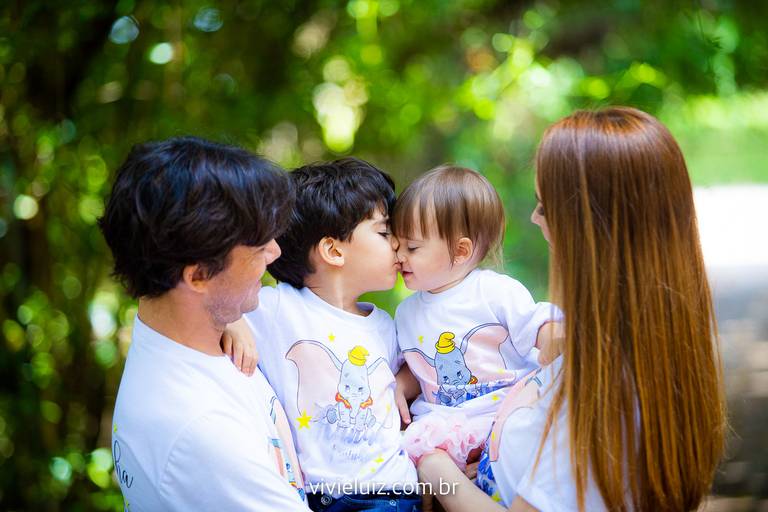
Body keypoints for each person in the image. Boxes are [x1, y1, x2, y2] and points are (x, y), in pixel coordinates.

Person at [416, 107, 727, 511]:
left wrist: (436, 469)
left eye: (545, 207)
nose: (533, 217)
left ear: (588, 229)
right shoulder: (628, 347)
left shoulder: (606, 388)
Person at [100, 136, 309, 511]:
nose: (276, 251)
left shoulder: (180, 333)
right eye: (260, 246)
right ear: (198, 277)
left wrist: (230, 317)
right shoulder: (202, 432)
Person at [243, 158, 420, 512]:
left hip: (396, 489)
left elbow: (418, 368)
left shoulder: (385, 323)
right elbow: (216, 305)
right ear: (333, 250)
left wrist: (402, 383)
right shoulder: (279, 309)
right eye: (385, 233)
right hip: (325, 497)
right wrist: (234, 324)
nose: (399, 245)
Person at [391, 165, 562, 469]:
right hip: (440, 424)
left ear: (460, 251)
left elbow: (537, 325)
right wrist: (399, 387)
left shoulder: (493, 291)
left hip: (502, 413)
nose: (400, 256)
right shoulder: (406, 312)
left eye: (412, 247)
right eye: (396, 245)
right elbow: (417, 369)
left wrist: (554, 340)